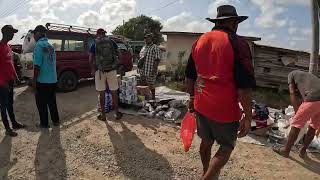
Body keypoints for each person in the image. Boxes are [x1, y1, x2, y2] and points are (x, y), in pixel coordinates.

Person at [185, 5, 255, 179]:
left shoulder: (200, 41)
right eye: (236, 22)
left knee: (206, 141)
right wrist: (247, 115)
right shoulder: (238, 43)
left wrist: (192, 98)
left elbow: (189, 76)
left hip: (201, 102)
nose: (237, 26)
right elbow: (244, 86)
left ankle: (206, 170)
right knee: (226, 147)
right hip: (224, 108)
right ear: (232, 23)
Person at [273, 70, 320, 158]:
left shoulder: (291, 74)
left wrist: (296, 112)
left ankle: (286, 150)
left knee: (296, 124)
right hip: (316, 98)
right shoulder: (308, 78)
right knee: (313, 126)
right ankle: (303, 150)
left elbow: (292, 92)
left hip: (314, 97)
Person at [89, 28, 122, 121]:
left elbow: (90, 59)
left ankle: (103, 115)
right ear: (105, 34)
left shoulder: (95, 44)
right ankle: (117, 113)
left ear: (97, 34)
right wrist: (116, 64)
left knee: (101, 93)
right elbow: (120, 55)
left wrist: (93, 69)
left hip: (100, 71)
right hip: (111, 70)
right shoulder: (111, 42)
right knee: (114, 92)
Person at [32, 25, 60, 128]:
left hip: (42, 81)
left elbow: (37, 66)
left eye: (34, 34)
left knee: (41, 103)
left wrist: (34, 80)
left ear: (38, 33)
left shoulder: (38, 46)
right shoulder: (50, 46)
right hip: (52, 80)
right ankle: (56, 121)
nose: (34, 37)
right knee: (52, 101)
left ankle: (44, 124)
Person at [0, 25, 26, 137]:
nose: (13, 34)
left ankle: (14, 123)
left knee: (10, 103)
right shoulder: (0, 47)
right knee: (4, 106)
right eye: (12, 32)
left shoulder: (8, 47)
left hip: (10, 81)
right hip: (2, 83)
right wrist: (2, 82)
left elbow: (10, 64)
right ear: (5, 32)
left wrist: (16, 77)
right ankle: (7, 128)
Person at [137, 33, 161, 100]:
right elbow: (140, 57)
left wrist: (154, 69)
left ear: (151, 39)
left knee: (151, 84)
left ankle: (153, 97)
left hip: (150, 70)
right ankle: (144, 96)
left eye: (148, 38)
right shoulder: (143, 47)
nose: (146, 39)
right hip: (142, 70)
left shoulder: (155, 47)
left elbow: (157, 58)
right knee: (142, 83)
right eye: (145, 38)